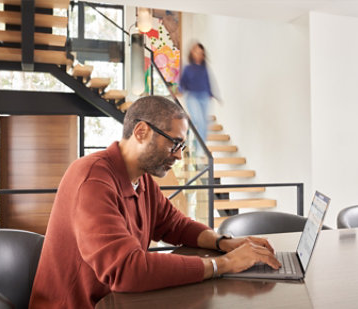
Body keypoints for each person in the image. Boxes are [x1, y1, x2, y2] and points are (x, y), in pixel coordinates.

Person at [29, 96, 280, 308]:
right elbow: (126, 270)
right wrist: (222, 264)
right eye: (175, 143)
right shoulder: (92, 179)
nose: (179, 155)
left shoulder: (141, 179)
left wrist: (224, 243)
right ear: (141, 131)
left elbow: (175, 225)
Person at [179, 42, 217, 156]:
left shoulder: (204, 68)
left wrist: (212, 94)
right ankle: (192, 145)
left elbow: (208, 81)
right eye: (197, 52)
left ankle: (199, 148)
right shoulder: (188, 68)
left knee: (204, 123)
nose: (199, 54)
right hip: (192, 96)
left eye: (201, 53)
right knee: (198, 121)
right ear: (192, 53)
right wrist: (180, 90)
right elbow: (182, 83)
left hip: (204, 96)